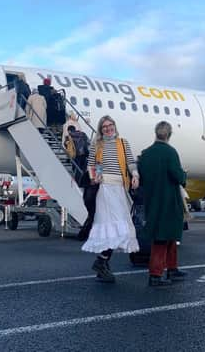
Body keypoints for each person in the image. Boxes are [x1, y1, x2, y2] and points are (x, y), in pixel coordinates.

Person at [81, 115, 139, 282]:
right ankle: (102, 263)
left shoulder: (123, 143)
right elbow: (91, 164)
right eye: (104, 126)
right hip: (105, 188)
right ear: (101, 130)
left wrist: (135, 175)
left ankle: (102, 262)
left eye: (110, 125)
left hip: (120, 188)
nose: (108, 128)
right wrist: (95, 177)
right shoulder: (97, 145)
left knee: (121, 228)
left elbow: (130, 162)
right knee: (112, 227)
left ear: (114, 126)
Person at [137, 121, 188, 286]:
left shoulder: (146, 154)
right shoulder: (170, 152)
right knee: (163, 236)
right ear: (169, 135)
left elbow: (142, 178)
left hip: (152, 199)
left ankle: (172, 269)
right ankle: (156, 274)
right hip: (169, 200)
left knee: (168, 234)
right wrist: (184, 175)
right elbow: (178, 176)